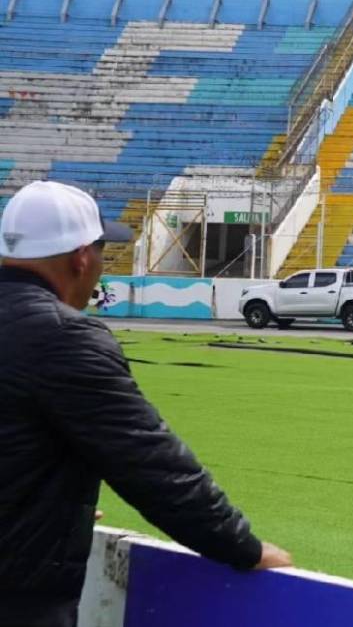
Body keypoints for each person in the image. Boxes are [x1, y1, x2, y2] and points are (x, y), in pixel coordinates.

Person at [0, 181, 292, 627]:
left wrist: (48, 507)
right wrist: (242, 547)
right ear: (82, 258)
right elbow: (151, 464)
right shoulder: (63, 338)